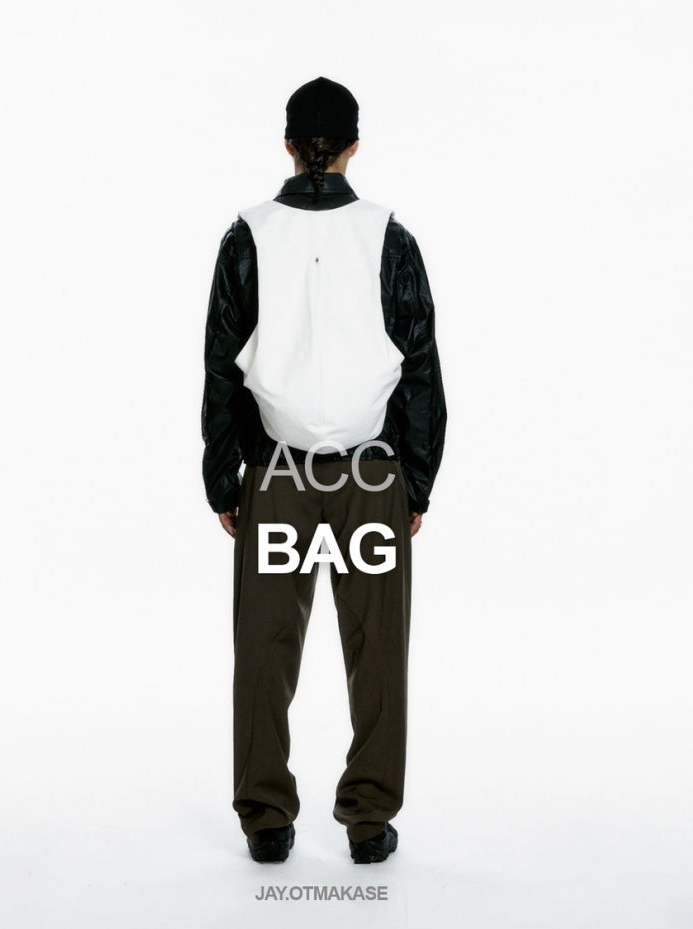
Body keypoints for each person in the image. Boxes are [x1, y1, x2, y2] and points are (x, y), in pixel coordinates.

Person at [201, 76, 447, 863]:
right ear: (352, 146)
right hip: (372, 477)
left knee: (263, 651)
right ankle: (368, 821)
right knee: (378, 652)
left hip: (274, 474)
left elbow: (222, 364)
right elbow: (419, 364)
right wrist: (417, 479)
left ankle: (265, 819)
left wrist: (223, 476)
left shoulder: (247, 235)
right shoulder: (388, 237)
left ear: (286, 144)